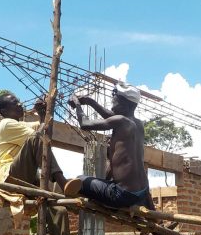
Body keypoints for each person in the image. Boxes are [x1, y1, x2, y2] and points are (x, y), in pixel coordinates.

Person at [0, 93, 94, 235]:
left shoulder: (21, 125)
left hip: (27, 179)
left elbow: (46, 131)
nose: (20, 103)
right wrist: (42, 114)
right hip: (10, 177)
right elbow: (39, 137)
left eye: (18, 100)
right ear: (4, 111)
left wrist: (46, 111)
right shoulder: (6, 124)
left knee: (58, 209)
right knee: (36, 140)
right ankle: (63, 182)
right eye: (14, 102)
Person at [66, 82, 155, 210]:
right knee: (102, 181)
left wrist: (77, 104)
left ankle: (73, 202)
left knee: (81, 180)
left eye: (115, 97)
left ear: (125, 103)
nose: (112, 100)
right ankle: (154, 218)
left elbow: (84, 123)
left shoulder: (120, 121)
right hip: (142, 193)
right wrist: (91, 102)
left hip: (122, 195)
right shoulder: (138, 124)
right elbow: (110, 116)